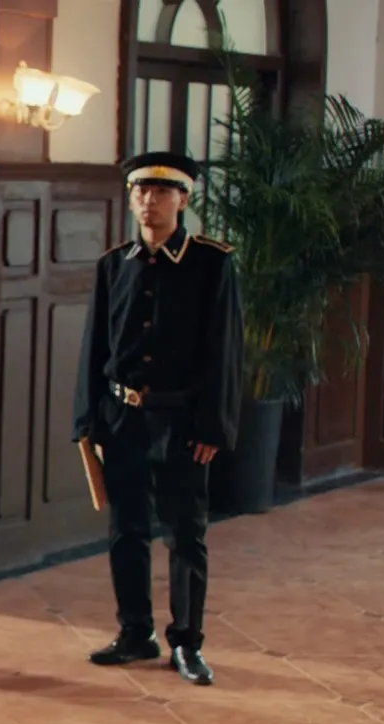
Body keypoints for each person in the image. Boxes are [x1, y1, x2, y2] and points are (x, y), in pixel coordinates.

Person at [73, 151, 241, 686]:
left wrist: (213, 425)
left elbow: (224, 350)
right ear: (130, 199)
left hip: (183, 423)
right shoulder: (113, 264)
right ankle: (134, 632)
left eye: (163, 192)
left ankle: (187, 643)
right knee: (127, 530)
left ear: (184, 200)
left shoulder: (211, 263)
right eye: (141, 191)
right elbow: (95, 346)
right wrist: (87, 419)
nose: (149, 201)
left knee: (185, 535)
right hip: (122, 418)